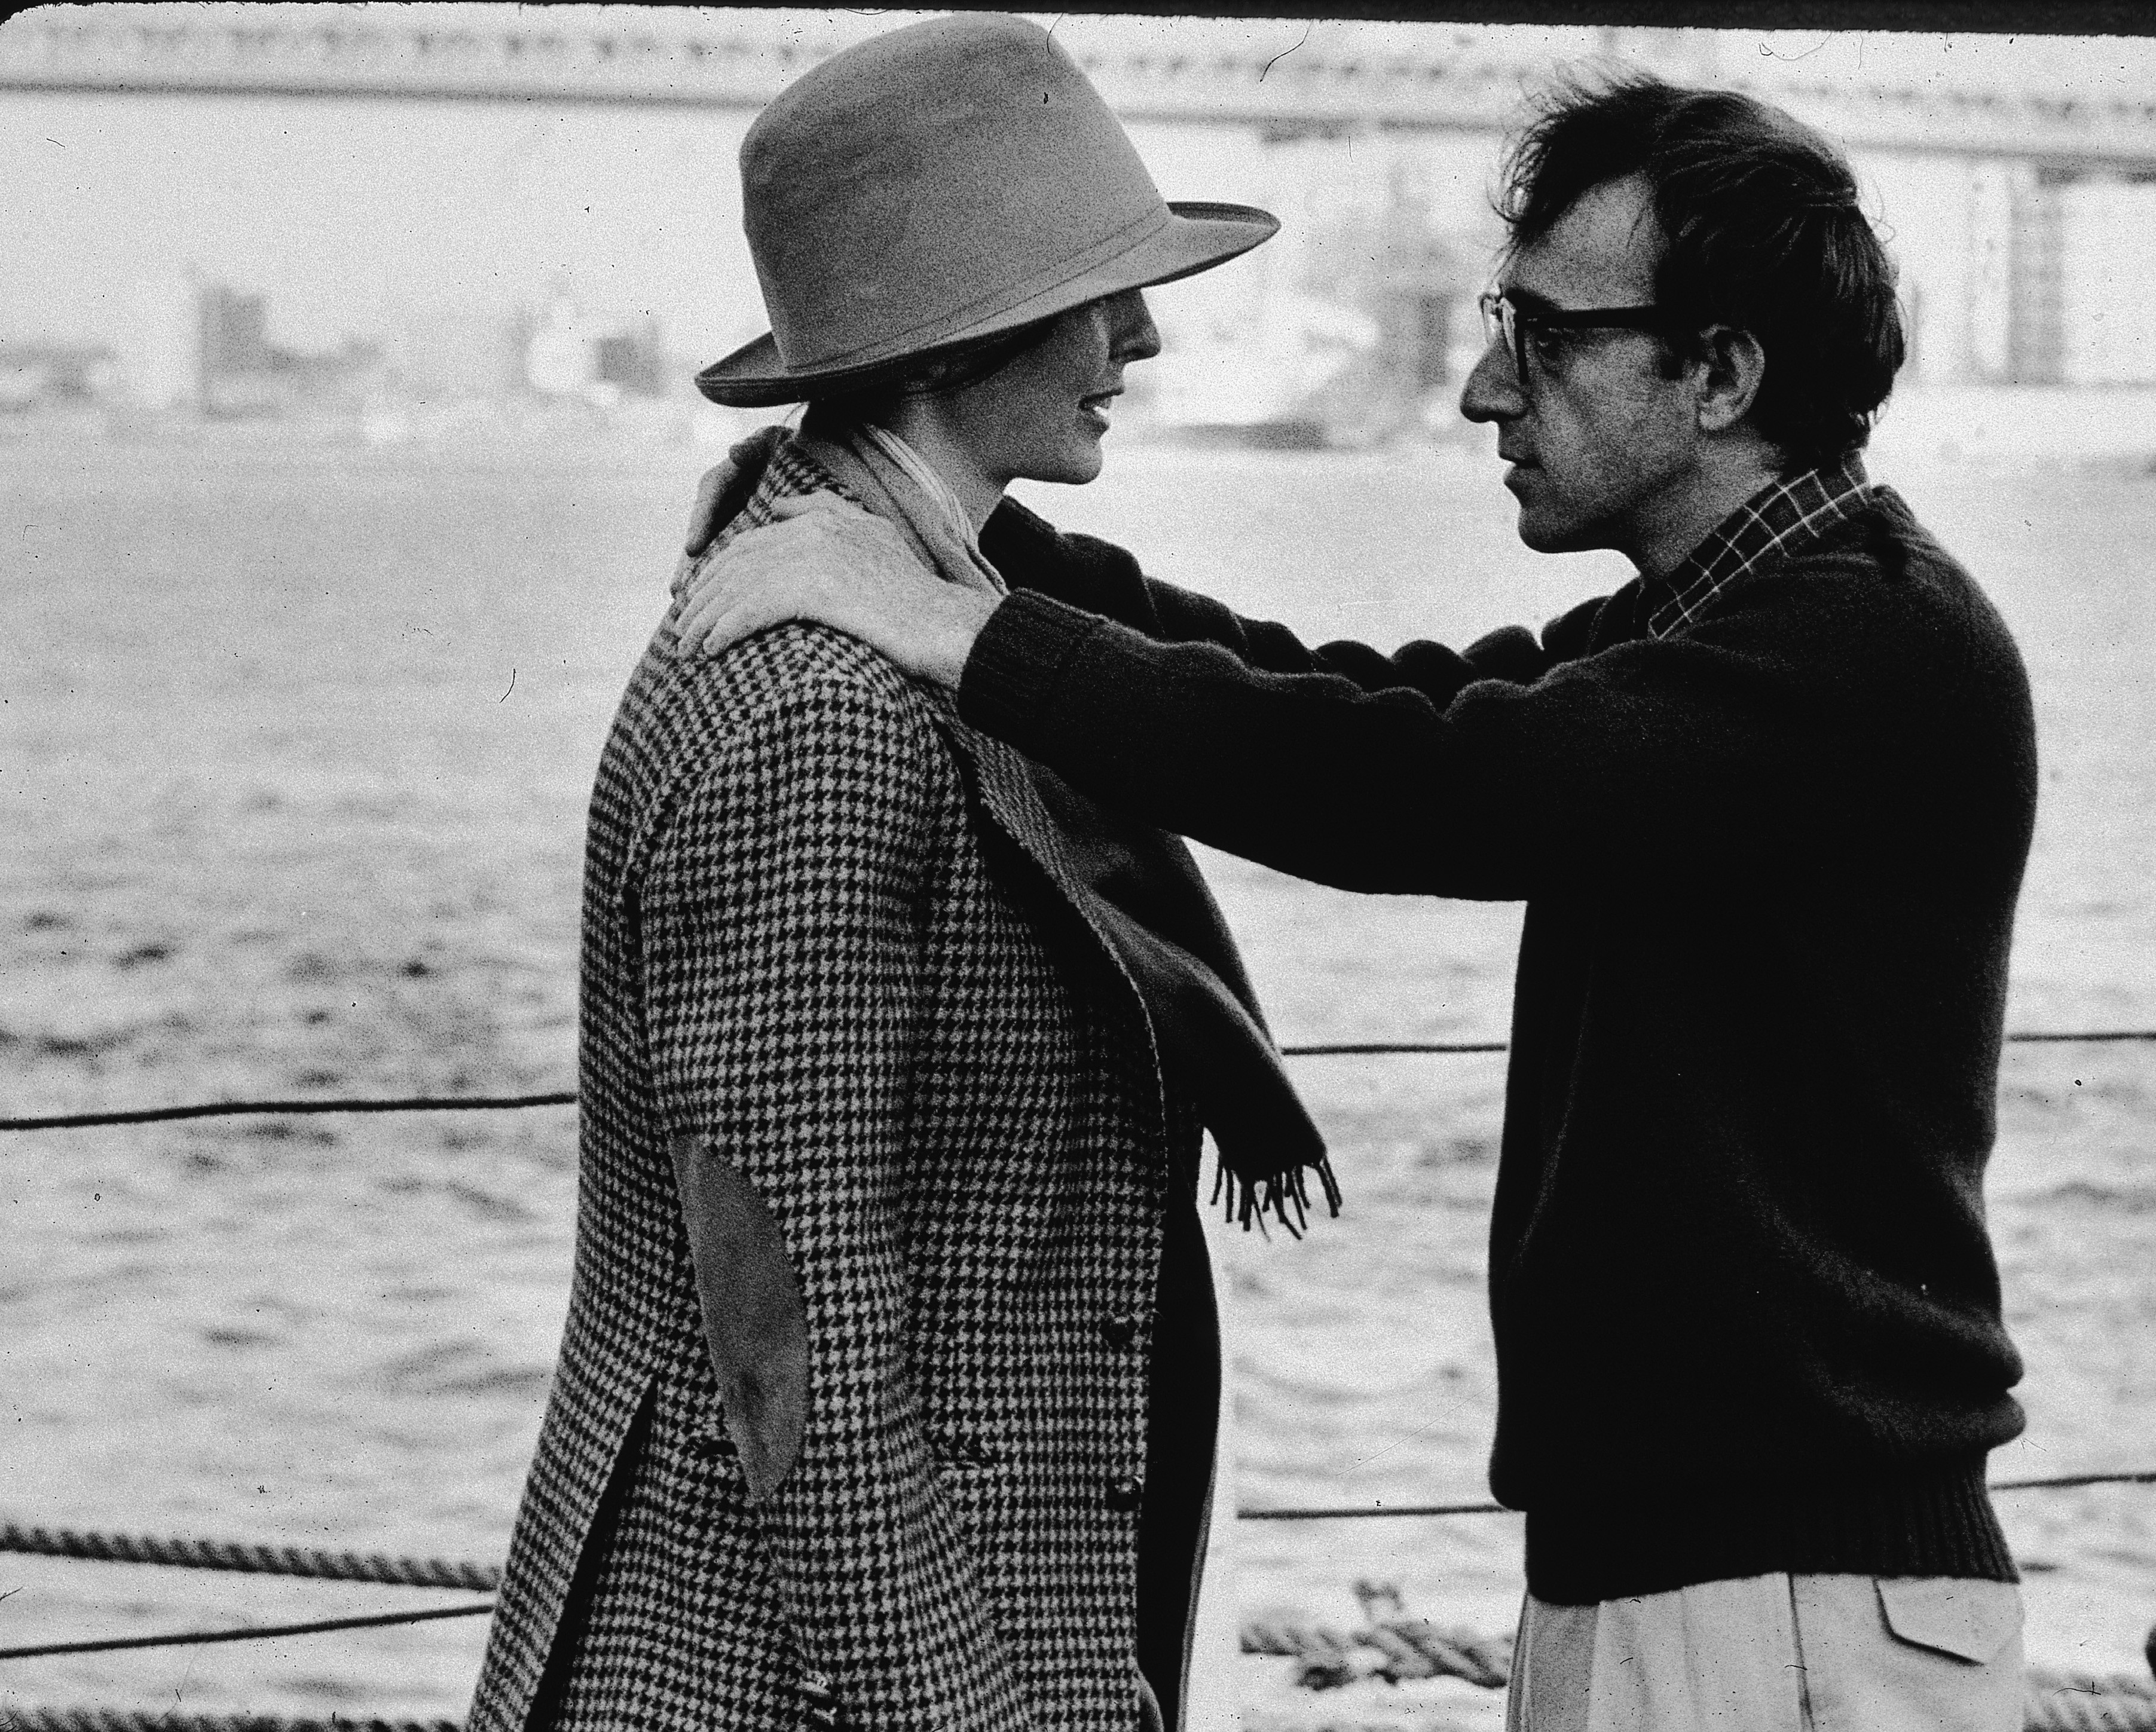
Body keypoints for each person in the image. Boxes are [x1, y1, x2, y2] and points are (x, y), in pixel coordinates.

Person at [680, 63, 2042, 1732]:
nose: (1484, 388)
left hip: (1784, 1612)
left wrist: (967, 632)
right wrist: (937, 533)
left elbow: (1420, 782)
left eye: (1546, 337)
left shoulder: (1867, 647)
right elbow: (1357, 692)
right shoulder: (1718, 626)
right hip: (1702, 1591)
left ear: (1720, 373)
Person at [467, 16, 1328, 1731]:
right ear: (958, 336)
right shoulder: (822, 708)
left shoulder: (922, 610)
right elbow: (794, 1334)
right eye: (1099, 293)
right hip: (791, 1683)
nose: (1143, 336)